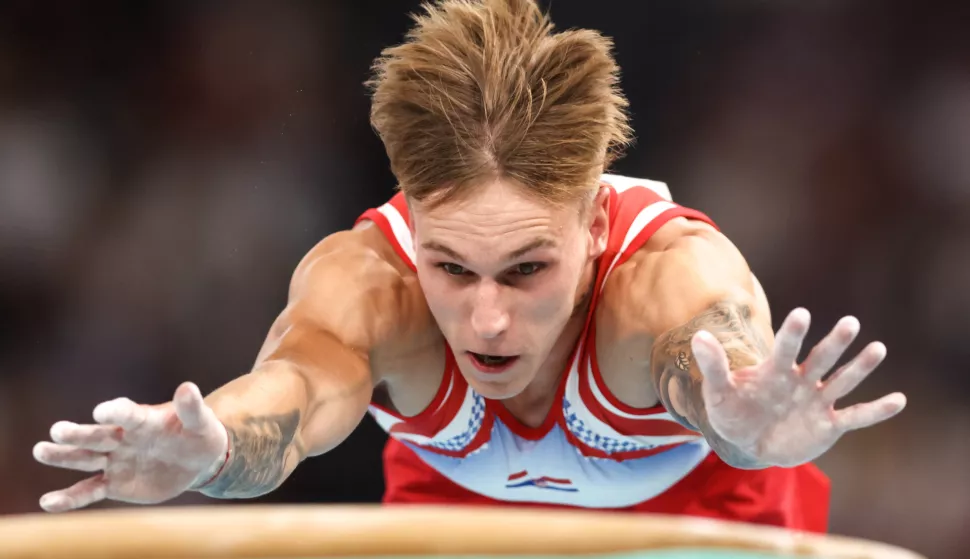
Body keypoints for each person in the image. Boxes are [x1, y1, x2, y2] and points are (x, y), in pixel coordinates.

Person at [32, 0, 905, 532]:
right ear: (413, 223)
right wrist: (216, 450)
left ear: (597, 223)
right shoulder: (372, 286)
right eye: (452, 267)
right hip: (466, 509)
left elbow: (719, 366)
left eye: (526, 270)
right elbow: (292, 398)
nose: (486, 319)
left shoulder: (665, 282)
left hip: (703, 514)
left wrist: (743, 423)